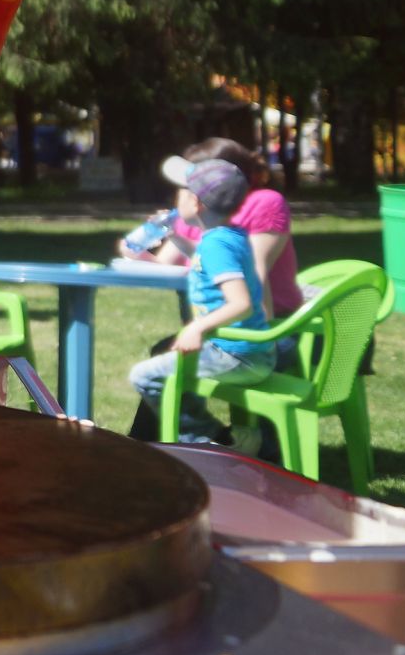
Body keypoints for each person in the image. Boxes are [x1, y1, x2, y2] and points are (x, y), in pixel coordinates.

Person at [125, 159, 271, 450]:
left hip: (234, 353)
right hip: (245, 350)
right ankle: (212, 441)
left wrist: (198, 327)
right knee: (172, 372)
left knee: (144, 376)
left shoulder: (217, 244)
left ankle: (215, 442)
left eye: (182, 191)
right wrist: (175, 237)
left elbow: (241, 303)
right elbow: (206, 263)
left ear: (196, 201)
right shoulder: (226, 237)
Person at [119, 137, 303, 325]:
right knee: (162, 350)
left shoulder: (264, 202)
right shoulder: (192, 217)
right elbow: (164, 265)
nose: (183, 190)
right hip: (214, 325)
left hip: (269, 325)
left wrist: (264, 337)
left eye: (189, 184)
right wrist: (137, 250)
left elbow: (255, 270)